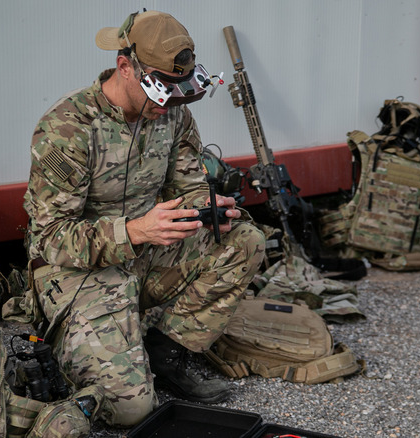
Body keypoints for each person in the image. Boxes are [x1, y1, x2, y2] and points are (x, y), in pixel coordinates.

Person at [22, 9, 266, 433]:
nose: (167, 103)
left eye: (178, 92)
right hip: (80, 270)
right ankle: (83, 342)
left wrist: (210, 210)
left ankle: (166, 350)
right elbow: (50, 239)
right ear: (124, 67)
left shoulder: (172, 114)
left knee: (246, 240)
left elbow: (188, 186)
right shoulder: (68, 127)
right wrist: (134, 231)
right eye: (159, 90)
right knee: (130, 411)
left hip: (148, 249)